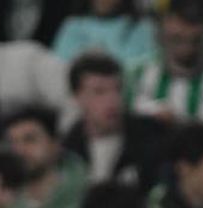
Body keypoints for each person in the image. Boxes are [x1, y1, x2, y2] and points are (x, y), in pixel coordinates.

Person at [62, 54, 168, 190]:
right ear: (77, 97)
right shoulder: (68, 150)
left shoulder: (152, 137)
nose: (112, 101)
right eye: (100, 92)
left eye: (117, 90)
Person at [129, 0, 203, 123]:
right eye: (180, 20)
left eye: (194, 21)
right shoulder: (137, 76)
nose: (186, 31)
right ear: (163, 24)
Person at [4, 105, 91, 208]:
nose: (19, 151)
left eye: (29, 140)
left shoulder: (86, 196)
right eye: (13, 143)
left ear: (55, 144)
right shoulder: (4, 201)